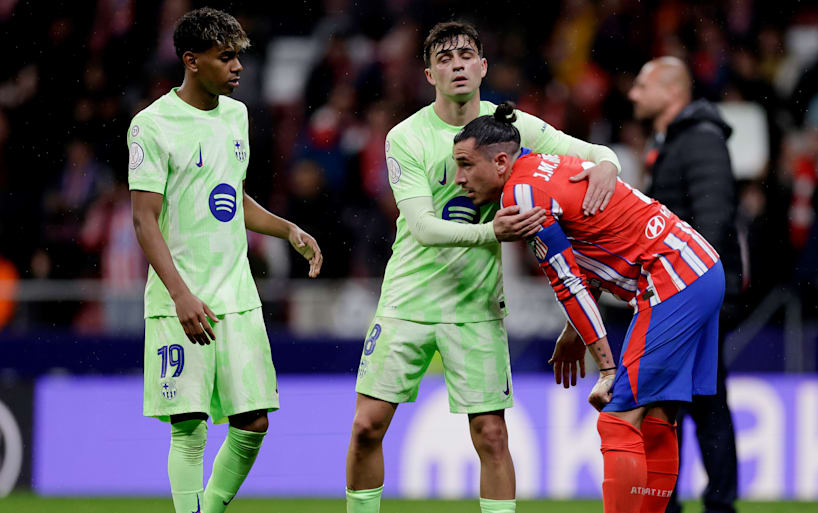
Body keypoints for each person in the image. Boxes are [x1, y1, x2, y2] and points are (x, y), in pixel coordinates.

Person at [346, 21, 622, 513]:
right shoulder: (405, 137)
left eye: (466, 55)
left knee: (492, 436)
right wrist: (490, 232)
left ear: (482, 67)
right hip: (407, 300)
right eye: (445, 58)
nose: (456, 65)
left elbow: (592, 152)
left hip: (475, 305)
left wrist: (607, 164)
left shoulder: (510, 124)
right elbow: (424, 227)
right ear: (429, 73)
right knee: (367, 427)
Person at [452, 102, 724, 513]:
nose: (459, 179)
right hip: (700, 265)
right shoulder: (548, 165)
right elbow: (598, 246)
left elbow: (569, 282)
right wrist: (572, 334)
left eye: (466, 165)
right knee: (654, 421)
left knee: (617, 420)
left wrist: (608, 366)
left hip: (672, 278)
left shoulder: (522, 193)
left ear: (501, 161)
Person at [129, 8, 322, 513]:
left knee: (254, 421)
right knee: (189, 426)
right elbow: (144, 220)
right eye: (226, 57)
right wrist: (179, 295)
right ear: (192, 62)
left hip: (237, 295)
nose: (238, 67)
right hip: (181, 298)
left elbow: (230, 197)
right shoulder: (151, 125)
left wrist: (287, 229)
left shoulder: (237, 116)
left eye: (239, 56)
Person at [628, 57, 742, 513]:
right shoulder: (677, 142)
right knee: (689, 401)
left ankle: (710, 503)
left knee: (692, 402)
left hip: (693, 294)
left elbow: (714, 220)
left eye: (641, 84)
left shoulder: (700, 142)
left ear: (672, 92)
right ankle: (697, 503)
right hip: (680, 291)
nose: (633, 94)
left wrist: (692, 293)